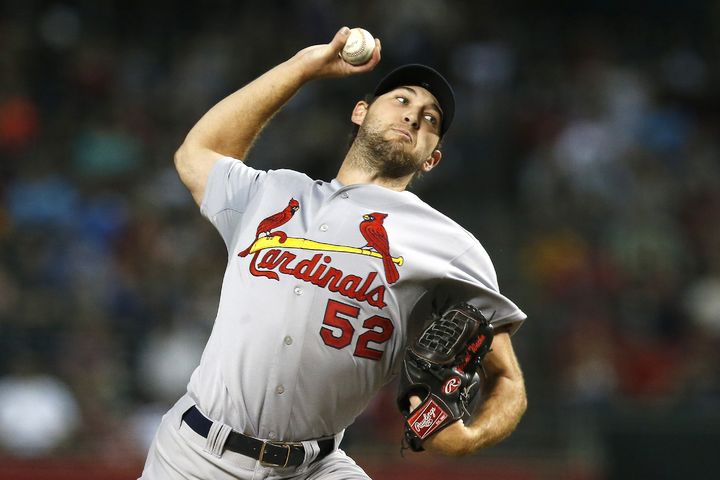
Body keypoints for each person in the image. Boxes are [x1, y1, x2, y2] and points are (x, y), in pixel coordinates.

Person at [139, 26, 527, 480]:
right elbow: (198, 153)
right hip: (195, 457)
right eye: (401, 100)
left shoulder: (450, 247)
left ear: (432, 158)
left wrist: (470, 437)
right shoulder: (276, 192)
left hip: (317, 466)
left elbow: (509, 382)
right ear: (360, 112)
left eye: (431, 119)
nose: (414, 116)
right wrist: (303, 68)